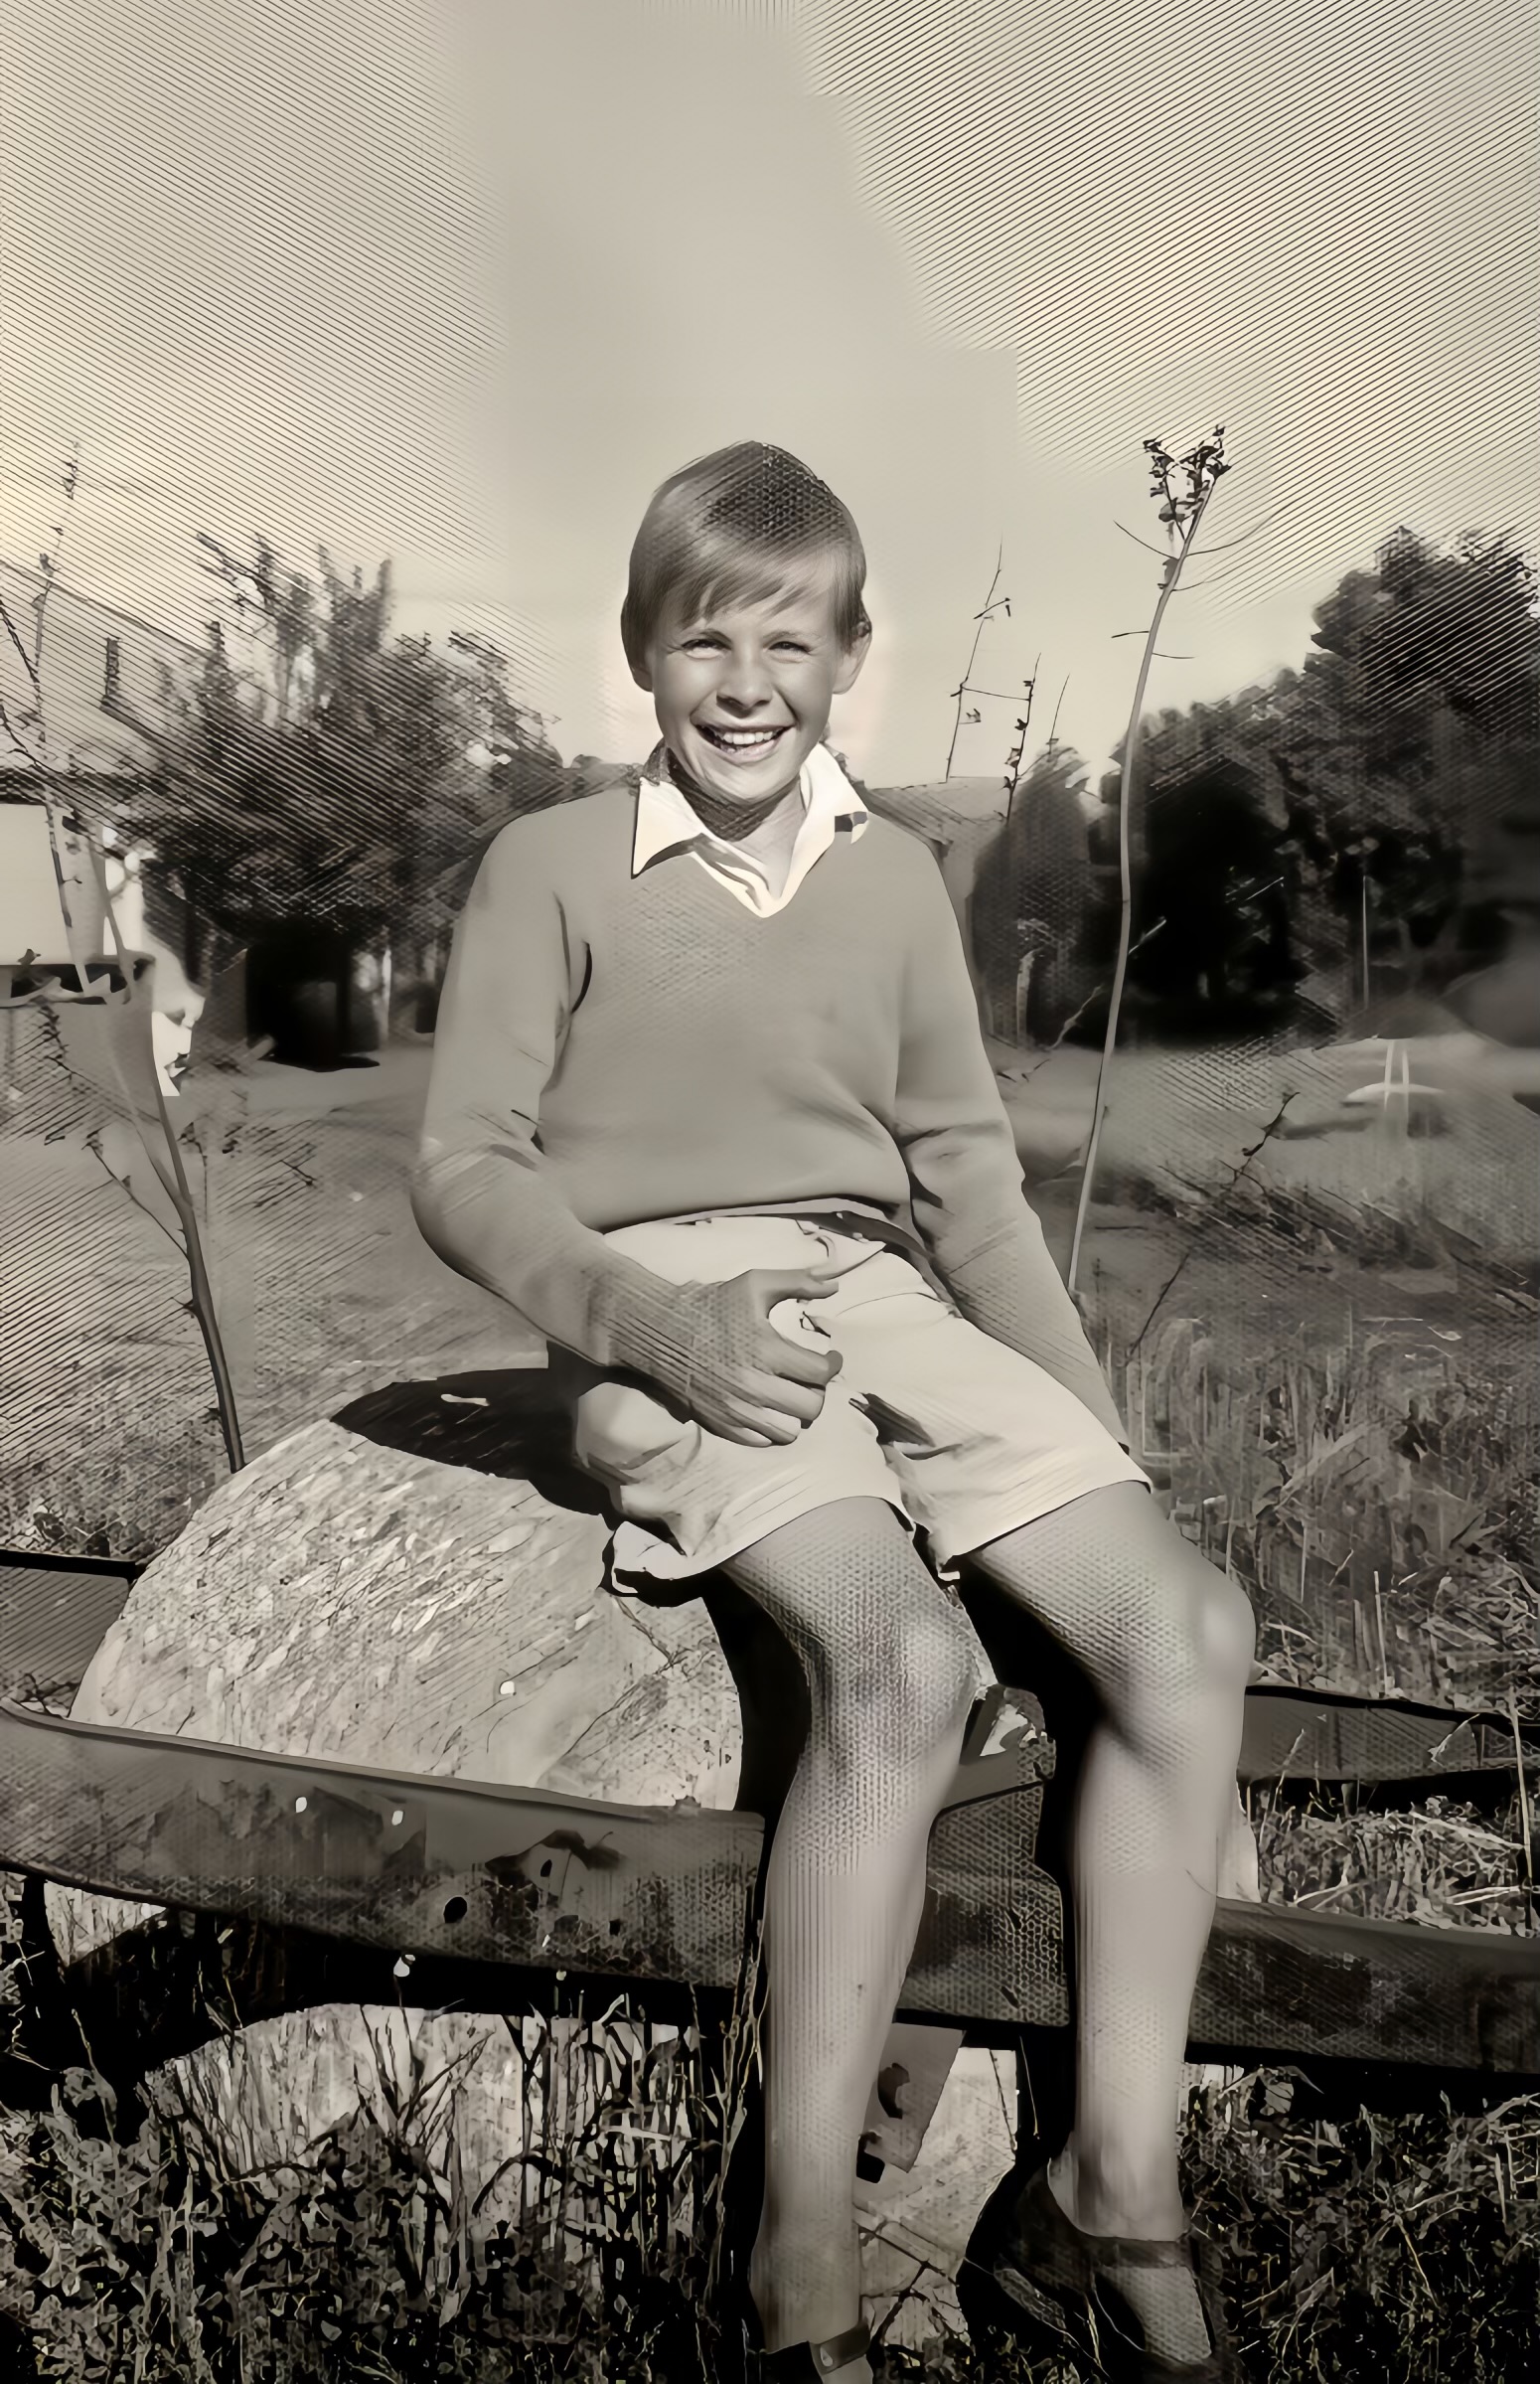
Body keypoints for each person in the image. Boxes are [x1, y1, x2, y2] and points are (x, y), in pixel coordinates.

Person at [411, 441, 1256, 2382]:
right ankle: (794, 2269)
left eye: (787, 639)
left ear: (848, 654)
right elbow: (467, 1165)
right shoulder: (548, 867)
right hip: (672, 1294)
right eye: (703, 633)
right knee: (895, 1660)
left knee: (1185, 1624)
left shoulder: (888, 878)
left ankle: (1107, 2188)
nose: (743, 678)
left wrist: (1085, 1425)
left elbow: (961, 1168)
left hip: (874, 1283)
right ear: (644, 646)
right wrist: (648, 1323)